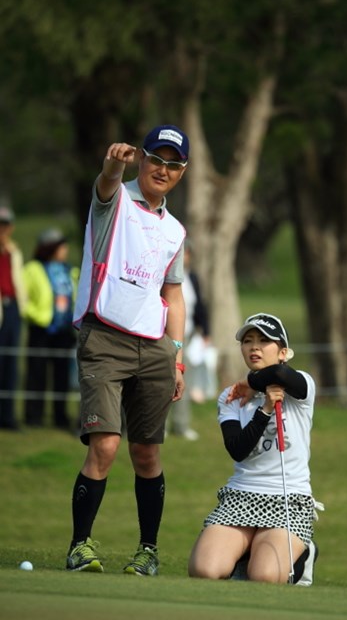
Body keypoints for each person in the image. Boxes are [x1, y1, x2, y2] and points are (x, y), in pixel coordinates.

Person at [66, 125, 189, 576]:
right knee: (106, 444)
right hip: (104, 336)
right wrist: (114, 162)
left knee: (147, 453)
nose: (163, 169)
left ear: (182, 172)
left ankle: (148, 551)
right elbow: (105, 184)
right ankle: (79, 546)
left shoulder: (175, 230)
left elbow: (173, 294)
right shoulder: (115, 201)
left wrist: (177, 357)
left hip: (155, 346)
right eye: (156, 159)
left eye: (173, 164)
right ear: (143, 160)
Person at [188, 313, 323, 584]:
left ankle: (304, 553)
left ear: (283, 352)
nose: (254, 347)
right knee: (204, 571)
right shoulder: (231, 397)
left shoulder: (302, 386)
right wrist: (263, 410)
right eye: (247, 341)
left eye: (264, 340)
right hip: (241, 496)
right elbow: (238, 450)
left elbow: (279, 373)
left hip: (288, 499)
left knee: (264, 577)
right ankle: (244, 555)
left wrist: (250, 383)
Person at [23, 228, 79, 430]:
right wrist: (37, 316)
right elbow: (24, 298)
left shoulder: (69, 270)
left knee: (62, 375)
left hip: (64, 330)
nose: (65, 249)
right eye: (61, 246)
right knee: (36, 373)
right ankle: (33, 416)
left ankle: (60, 416)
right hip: (41, 329)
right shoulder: (32, 269)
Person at [168, 239, 211, 440]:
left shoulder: (192, 277)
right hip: (167, 335)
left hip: (189, 335)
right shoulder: (164, 277)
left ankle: (181, 424)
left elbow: (200, 306)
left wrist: (206, 332)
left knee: (185, 380)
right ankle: (162, 426)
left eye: (186, 254)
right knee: (164, 380)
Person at [0, 205, 26, 430]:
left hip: (12, 309)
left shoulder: (14, 252)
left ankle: (7, 416)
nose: (2, 230)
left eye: (5, 225)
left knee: (11, 364)